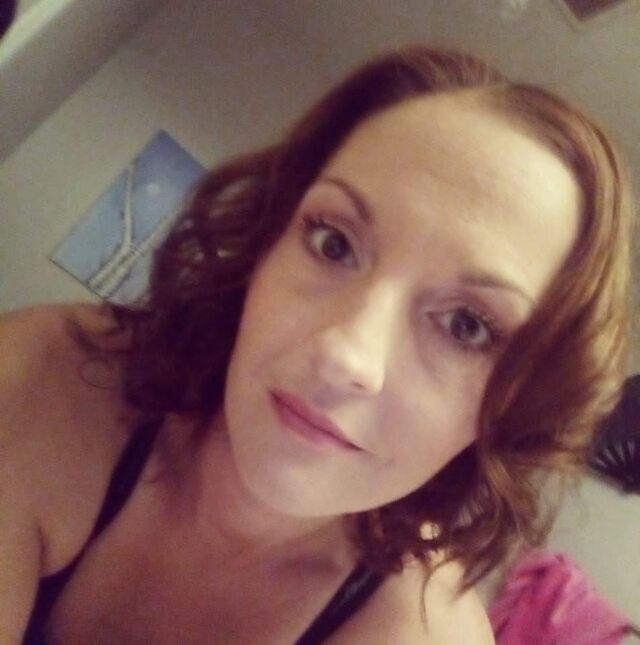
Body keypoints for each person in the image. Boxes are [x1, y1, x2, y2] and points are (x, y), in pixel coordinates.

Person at [0, 45, 633, 644]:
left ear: (517, 405)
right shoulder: (48, 380)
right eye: (333, 242)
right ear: (271, 235)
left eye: (466, 325)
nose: (343, 355)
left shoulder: (423, 634)